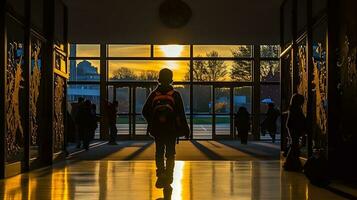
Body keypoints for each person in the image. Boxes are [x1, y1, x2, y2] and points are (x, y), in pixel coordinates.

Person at [142, 68, 189, 189]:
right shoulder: (175, 95)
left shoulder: (154, 94)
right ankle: (169, 175)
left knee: (159, 152)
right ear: (171, 80)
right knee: (170, 153)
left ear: (159, 79)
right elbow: (181, 113)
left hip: (157, 129)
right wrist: (185, 129)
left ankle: (160, 173)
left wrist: (152, 121)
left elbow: (144, 111)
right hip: (171, 129)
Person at [283, 93, 307, 172]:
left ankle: (290, 164)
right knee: (294, 146)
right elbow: (299, 120)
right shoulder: (297, 109)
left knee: (294, 145)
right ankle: (292, 164)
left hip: (291, 128)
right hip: (294, 128)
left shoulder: (292, 108)